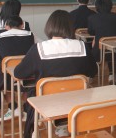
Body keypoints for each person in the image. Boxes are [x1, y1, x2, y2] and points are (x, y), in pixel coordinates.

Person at [14, 10, 97, 138]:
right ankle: (64, 124)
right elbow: (93, 72)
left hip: (46, 103)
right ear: (71, 27)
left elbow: (18, 73)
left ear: (49, 26)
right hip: (78, 101)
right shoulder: (82, 46)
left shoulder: (39, 49)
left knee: (31, 92)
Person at [0, 16, 34, 120]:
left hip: (7, 77)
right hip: (27, 75)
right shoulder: (30, 34)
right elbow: (38, 45)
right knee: (28, 86)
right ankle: (24, 109)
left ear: (6, 26)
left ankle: (13, 108)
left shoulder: (1, 36)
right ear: (21, 25)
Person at [88, 0, 116, 82]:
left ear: (97, 7)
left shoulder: (92, 18)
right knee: (110, 47)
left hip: (98, 52)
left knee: (90, 53)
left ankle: (91, 76)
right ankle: (112, 74)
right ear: (111, 6)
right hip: (115, 51)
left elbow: (91, 32)